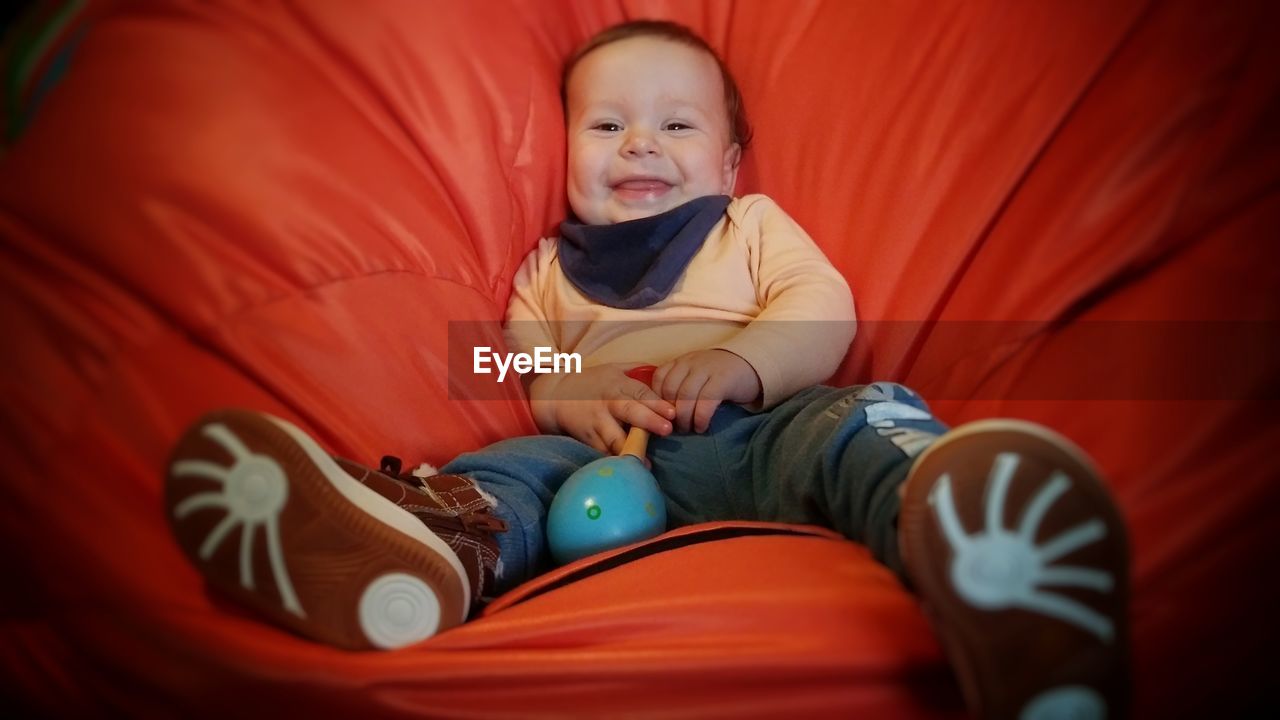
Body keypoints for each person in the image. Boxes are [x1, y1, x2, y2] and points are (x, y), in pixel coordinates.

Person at [165, 20, 1129, 719]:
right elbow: (493, 350)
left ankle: (956, 529)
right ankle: (428, 558)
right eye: (607, 125)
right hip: (581, 449)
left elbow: (820, 305)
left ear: (731, 162)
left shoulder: (748, 227)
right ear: (568, 149)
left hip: (745, 434)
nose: (640, 143)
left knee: (851, 422)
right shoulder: (550, 264)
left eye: (676, 126)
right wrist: (565, 389)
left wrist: (741, 362)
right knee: (506, 475)